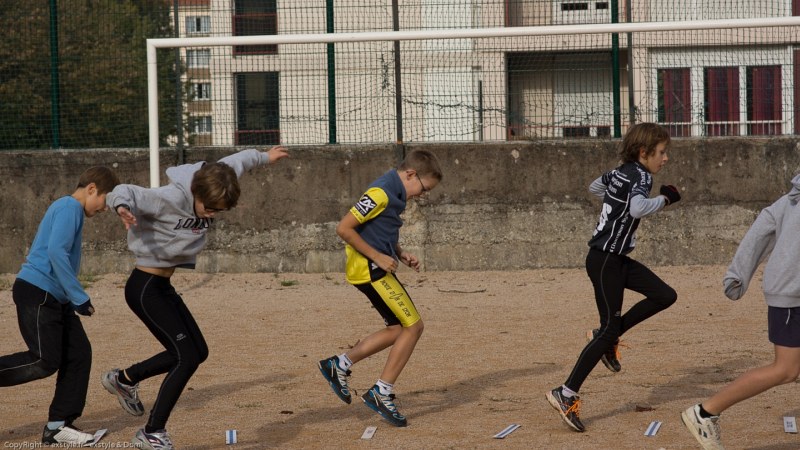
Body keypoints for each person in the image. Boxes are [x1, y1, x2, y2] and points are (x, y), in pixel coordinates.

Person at [100, 146, 288, 450]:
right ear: (196, 192)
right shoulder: (169, 198)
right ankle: (151, 432)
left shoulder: (218, 176)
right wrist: (121, 206)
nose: (212, 214)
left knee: (197, 352)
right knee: (185, 357)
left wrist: (266, 156)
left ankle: (124, 378)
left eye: (219, 211)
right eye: (209, 208)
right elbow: (124, 190)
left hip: (162, 287)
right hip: (145, 288)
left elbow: (240, 161)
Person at [545, 122, 682, 432]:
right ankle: (565, 393)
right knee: (607, 330)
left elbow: (595, 187)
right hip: (606, 261)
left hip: (614, 259)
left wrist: (615, 200)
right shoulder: (642, 176)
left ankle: (609, 336)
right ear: (644, 153)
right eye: (662, 153)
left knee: (665, 295)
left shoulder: (622, 171)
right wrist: (666, 200)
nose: (666, 159)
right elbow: (636, 209)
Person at [318, 149, 442, 427]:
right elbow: (344, 228)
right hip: (369, 270)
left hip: (375, 267)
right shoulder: (381, 193)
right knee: (414, 327)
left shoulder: (395, 193)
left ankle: (339, 364)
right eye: (423, 188)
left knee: (398, 329)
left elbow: (379, 228)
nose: (423, 195)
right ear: (410, 174)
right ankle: (381, 391)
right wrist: (377, 256)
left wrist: (399, 252)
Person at [0, 167, 120, 446]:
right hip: (38, 292)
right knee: (44, 360)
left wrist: (70, 297)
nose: (104, 209)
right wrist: (79, 296)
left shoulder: (71, 209)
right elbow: (56, 252)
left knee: (79, 354)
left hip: (55, 296)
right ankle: (58, 425)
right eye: (105, 201)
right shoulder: (69, 207)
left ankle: (58, 426)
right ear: (92, 189)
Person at [681, 174, 800, 449]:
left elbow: (763, 223)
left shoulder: (791, 198)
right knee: (785, 370)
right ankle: (705, 412)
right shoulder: (792, 200)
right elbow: (763, 227)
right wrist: (738, 274)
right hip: (791, 295)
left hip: (790, 290)